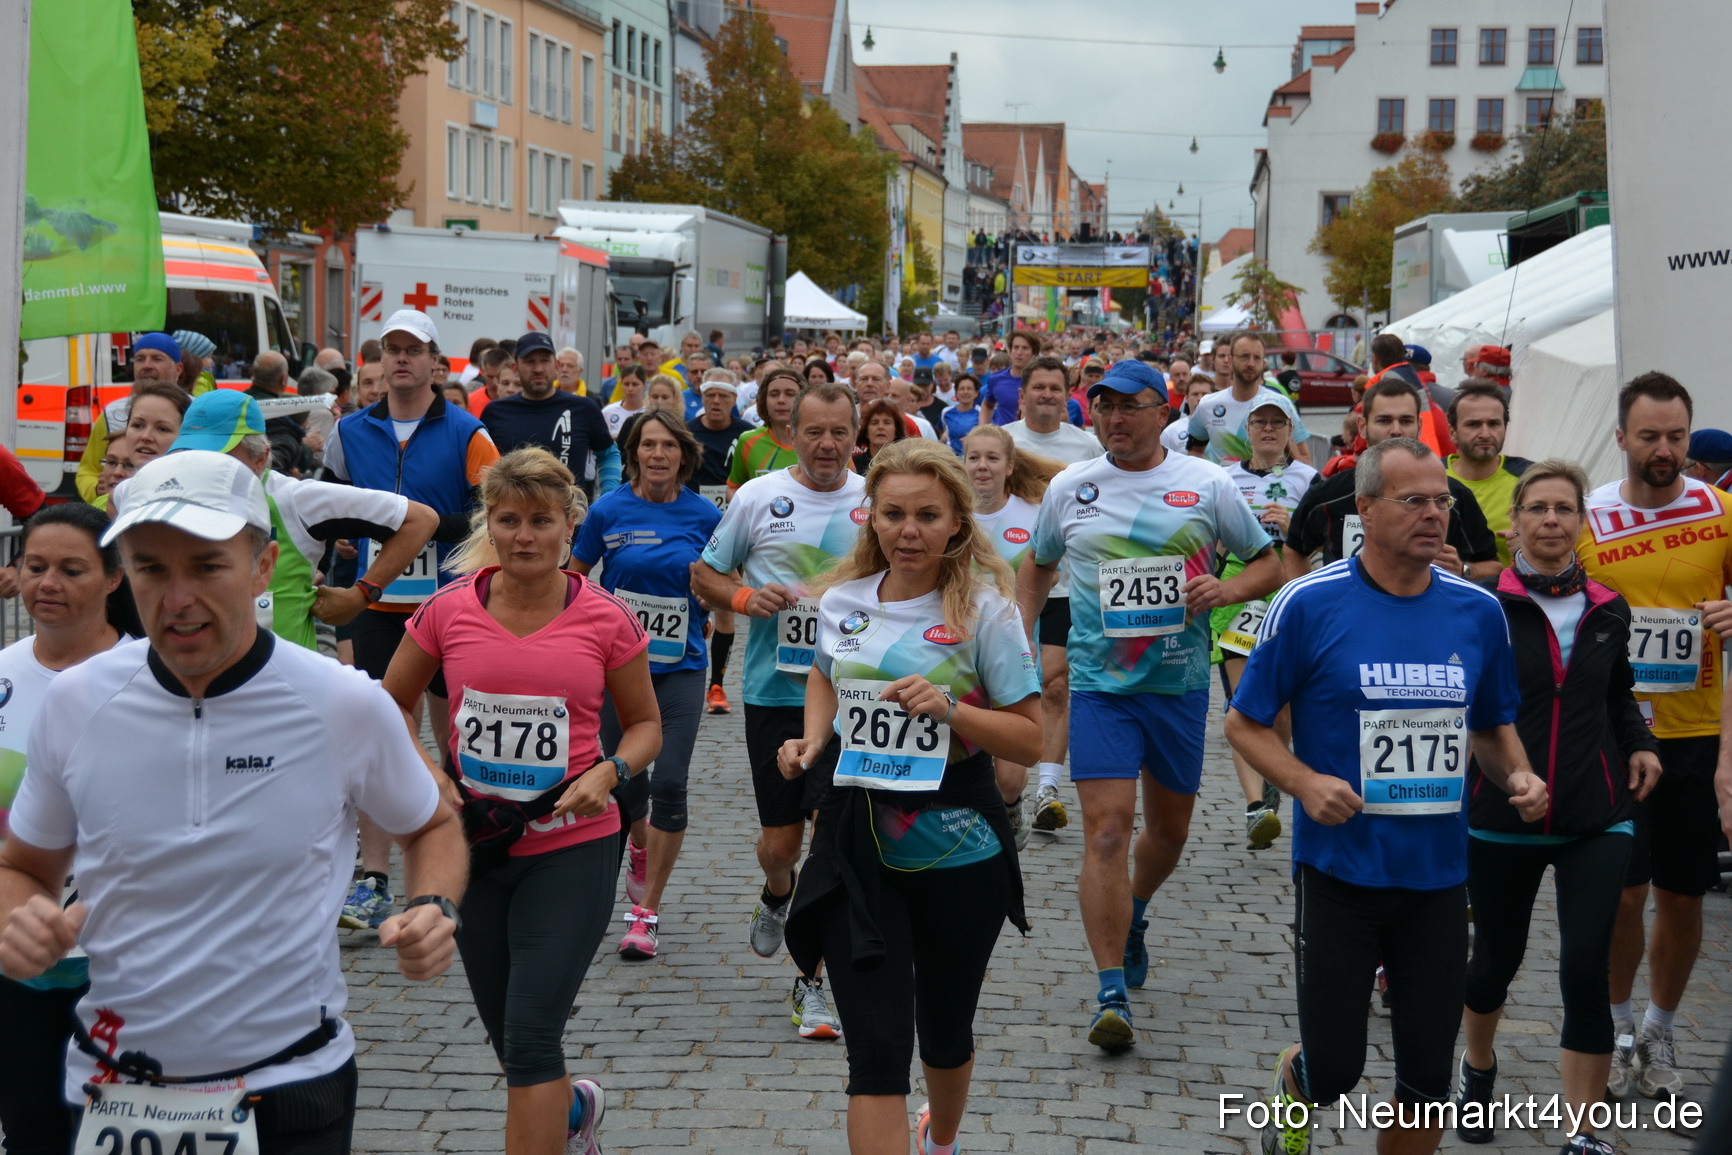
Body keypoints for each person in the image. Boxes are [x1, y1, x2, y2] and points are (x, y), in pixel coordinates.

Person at [0, 450, 465, 1155]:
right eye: (153, 567)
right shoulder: (77, 702)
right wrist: (19, 919)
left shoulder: (340, 702)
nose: (177, 595)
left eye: (207, 566)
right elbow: (25, 865)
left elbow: (431, 822)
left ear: (261, 566)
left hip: (289, 1082)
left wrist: (434, 905)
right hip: (109, 1085)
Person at [1226, 436, 1546, 1155]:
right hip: (1339, 872)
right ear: (1365, 508)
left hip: (1438, 877)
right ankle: (1299, 1076)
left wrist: (1518, 775)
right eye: (1415, 501)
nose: (1435, 515)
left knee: (1427, 1078)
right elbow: (1243, 724)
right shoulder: (1307, 602)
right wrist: (1304, 782)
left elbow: (1493, 728)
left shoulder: (1477, 612)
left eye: (1443, 501)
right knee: (1338, 1071)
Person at [385, 447, 656, 1155]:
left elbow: (649, 725)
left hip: (572, 844)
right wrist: (429, 775)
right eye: (509, 519)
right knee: (512, 1039)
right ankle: (572, 1109)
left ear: (570, 524)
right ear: (490, 524)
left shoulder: (605, 617)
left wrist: (612, 773)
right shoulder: (448, 610)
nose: (525, 535)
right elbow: (389, 704)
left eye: (541, 519)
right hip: (474, 843)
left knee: (533, 1031)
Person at [778, 438, 1041, 1155]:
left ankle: (942, 1140)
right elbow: (825, 676)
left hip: (961, 848)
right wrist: (811, 739)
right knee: (876, 1056)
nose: (909, 530)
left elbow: (1030, 738)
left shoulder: (986, 611)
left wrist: (951, 708)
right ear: (871, 518)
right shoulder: (841, 600)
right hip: (856, 845)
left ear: (957, 519)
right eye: (893, 513)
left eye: (928, 514)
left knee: (945, 1031)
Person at [1019, 359, 1281, 1048]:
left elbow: (1266, 563)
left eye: (1130, 406)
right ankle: (1110, 991)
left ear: (1163, 412)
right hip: (1100, 687)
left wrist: (1224, 592)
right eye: (1102, 406)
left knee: (1167, 835)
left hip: (1179, 682)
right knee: (1106, 829)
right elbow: (1039, 562)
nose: (1114, 418)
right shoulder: (1071, 487)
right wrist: (1019, 634)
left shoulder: (1206, 483)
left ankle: (1135, 910)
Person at [1453, 460, 1660, 1155]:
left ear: (1581, 520)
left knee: (1585, 966)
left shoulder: (1609, 604)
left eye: (1563, 509)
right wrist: (1505, 774)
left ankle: (1583, 1129)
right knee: (1494, 963)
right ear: (1513, 520)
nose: (1550, 520)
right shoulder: (1481, 600)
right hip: (1500, 812)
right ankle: (1478, 1068)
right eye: (1537, 508)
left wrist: (1640, 744)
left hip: (1596, 812)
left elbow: (1617, 694)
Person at [690, 380, 867, 1041]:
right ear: (790, 432)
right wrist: (740, 600)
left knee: (833, 838)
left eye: (839, 432)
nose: (827, 444)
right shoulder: (759, 496)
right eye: (814, 431)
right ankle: (774, 891)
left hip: (854, 695)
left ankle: (812, 981)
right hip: (774, 692)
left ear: (857, 435)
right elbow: (704, 573)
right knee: (782, 845)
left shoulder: (878, 499)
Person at [322, 309, 500, 931]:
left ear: (435, 364)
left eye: (412, 350)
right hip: (375, 606)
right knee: (380, 737)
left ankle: (460, 863)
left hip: (449, 607)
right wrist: (348, 536)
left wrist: (404, 519)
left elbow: (491, 517)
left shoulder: (469, 433)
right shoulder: (349, 433)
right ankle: (371, 880)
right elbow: (326, 507)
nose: (400, 359)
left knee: (457, 737)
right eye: (390, 349)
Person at [1580, 373, 1732, 1101]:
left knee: (1682, 895)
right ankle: (1613, 1023)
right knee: (1620, 893)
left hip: (1694, 732)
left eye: (1676, 435)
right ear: (1621, 439)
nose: (1665, 449)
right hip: (1615, 732)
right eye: (1650, 437)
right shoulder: (1585, 516)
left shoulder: (1723, 512)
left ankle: (1661, 1023)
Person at [0, 504, 129, 1155]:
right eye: (35, 565)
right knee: (32, 1132)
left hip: (128, 971)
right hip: (18, 965)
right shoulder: (3, 672)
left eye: (71, 569)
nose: (47, 582)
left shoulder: (151, 676)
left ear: (114, 577)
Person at [121, 390, 440, 652]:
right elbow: (116, 501)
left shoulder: (294, 498)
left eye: (221, 457)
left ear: (260, 458)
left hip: (284, 690)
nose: (206, 467)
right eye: (192, 453)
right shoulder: (157, 493)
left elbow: (421, 519)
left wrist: (362, 595)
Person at [573, 414, 720, 960]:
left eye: (667, 446)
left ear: (683, 454)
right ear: (633, 453)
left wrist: (712, 596)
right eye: (647, 446)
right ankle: (638, 846)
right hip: (619, 672)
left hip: (681, 668)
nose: (657, 454)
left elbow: (723, 577)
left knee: (672, 783)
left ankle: (645, 913)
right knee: (619, 782)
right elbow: (574, 577)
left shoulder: (705, 515)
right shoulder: (608, 510)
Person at [1002, 356, 1107, 836]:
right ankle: (1006, 785)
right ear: (1022, 394)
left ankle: (1047, 787)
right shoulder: (1002, 441)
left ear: (1068, 395)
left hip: (1068, 586)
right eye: (1038, 387)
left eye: (1055, 388)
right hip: (1009, 585)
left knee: (1056, 685)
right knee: (1008, 684)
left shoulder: (1086, 445)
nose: (1046, 395)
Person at [1212, 392, 1318, 850]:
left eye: (1279, 422)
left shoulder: (1310, 479)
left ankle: (1272, 769)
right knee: (1243, 703)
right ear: (1247, 430)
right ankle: (1257, 806)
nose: (1270, 429)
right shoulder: (1223, 477)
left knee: (1283, 708)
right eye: (1260, 422)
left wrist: (1293, 525)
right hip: (1238, 589)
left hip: (1290, 587)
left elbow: (1323, 542)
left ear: (1291, 431)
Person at [1285, 379, 1501, 584]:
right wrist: (1311, 606)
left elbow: (1494, 567)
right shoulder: (1328, 495)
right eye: (1384, 420)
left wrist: (1464, 570)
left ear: (1419, 426)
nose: (1396, 430)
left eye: (1406, 421)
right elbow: (1294, 548)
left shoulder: (1452, 497)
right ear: (1362, 426)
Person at [964, 423, 1062, 849]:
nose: (982, 467)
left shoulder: (1033, 512)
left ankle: (1010, 802)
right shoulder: (949, 513)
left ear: (1009, 467)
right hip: (957, 652)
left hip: (1017, 648)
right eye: (973, 458)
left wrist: (1021, 612)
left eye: (992, 459)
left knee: (1007, 776)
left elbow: (1051, 570)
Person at [482, 332, 617, 501]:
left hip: (571, 523)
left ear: (556, 365)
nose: (538, 369)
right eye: (530, 361)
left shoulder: (584, 408)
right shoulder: (495, 412)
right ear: (515, 368)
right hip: (514, 521)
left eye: (544, 360)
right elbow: (481, 469)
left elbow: (609, 454)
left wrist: (608, 499)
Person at [75, 333, 183, 502]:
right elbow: (88, 471)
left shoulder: (195, 411)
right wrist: (97, 490)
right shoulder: (112, 413)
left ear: (178, 369)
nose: (147, 365)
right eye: (140, 359)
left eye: (157, 359)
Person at [1187, 332, 1312, 466]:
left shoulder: (1280, 404)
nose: (1251, 363)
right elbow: (1194, 452)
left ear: (1263, 363)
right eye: (1244, 356)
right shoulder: (1208, 405)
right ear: (1230, 360)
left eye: (1257, 358)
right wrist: (1212, 475)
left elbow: (1305, 459)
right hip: (1223, 486)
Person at [1445, 381, 1532, 567]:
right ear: (1452, 432)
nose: (1485, 433)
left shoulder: (1531, 479)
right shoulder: (1432, 477)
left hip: (1515, 594)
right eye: (1473, 424)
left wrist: (1534, 546)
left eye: (1493, 424)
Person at [725, 368, 801, 492]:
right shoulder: (747, 440)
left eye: (790, 394)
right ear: (764, 401)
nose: (781, 400)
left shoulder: (818, 442)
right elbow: (733, 488)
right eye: (774, 394)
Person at [979, 329, 1040, 427]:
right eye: (1016, 347)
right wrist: (982, 428)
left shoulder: (1041, 381)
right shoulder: (996, 378)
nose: (1019, 352)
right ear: (1009, 351)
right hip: (1003, 437)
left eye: (1025, 348)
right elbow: (987, 405)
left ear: (1034, 353)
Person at [854, 399, 908, 475]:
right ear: (866, 431)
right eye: (874, 423)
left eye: (887, 422)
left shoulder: (905, 465)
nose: (880, 427)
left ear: (896, 430)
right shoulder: (854, 464)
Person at [602, 367, 648, 438]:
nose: (630, 389)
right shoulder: (608, 412)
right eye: (626, 384)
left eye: (635, 384)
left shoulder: (650, 412)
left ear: (644, 385)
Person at [941, 374, 982, 454]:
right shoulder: (946, 412)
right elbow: (943, 430)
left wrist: (973, 440)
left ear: (976, 393)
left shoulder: (982, 413)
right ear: (956, 393)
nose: (965, 392)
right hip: (952, 459)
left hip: (973, 457)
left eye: (969, 389)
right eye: (962, 389)